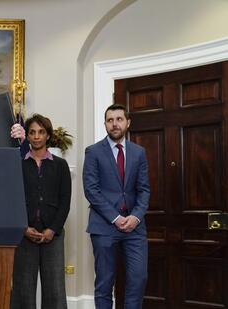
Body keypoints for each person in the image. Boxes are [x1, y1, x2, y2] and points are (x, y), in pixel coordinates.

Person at [83, 104, 150, 309]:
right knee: (104, 283)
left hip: (135, 228)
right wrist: (116, 218)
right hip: (104, 227)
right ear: (105, 124)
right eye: (110, 120)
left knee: (138, 279)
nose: (115, 124)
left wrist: (135, 217)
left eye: (119, 119)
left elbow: (144, 189)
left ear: (127, 123)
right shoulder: (93, 152)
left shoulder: (139, 153)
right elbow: (91, 190)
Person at [10, 114, 71, 309]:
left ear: (48, 136)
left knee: (54, 289)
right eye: (32, 132)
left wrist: (52, 230)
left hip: (52, 234)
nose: (36, 136)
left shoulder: (60, 165)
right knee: (23, 289)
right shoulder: (17, 164)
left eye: (41, 132)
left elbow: (65, 201)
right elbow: (13, 200)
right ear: (27, 136)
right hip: (24, 234)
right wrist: (23, 228)